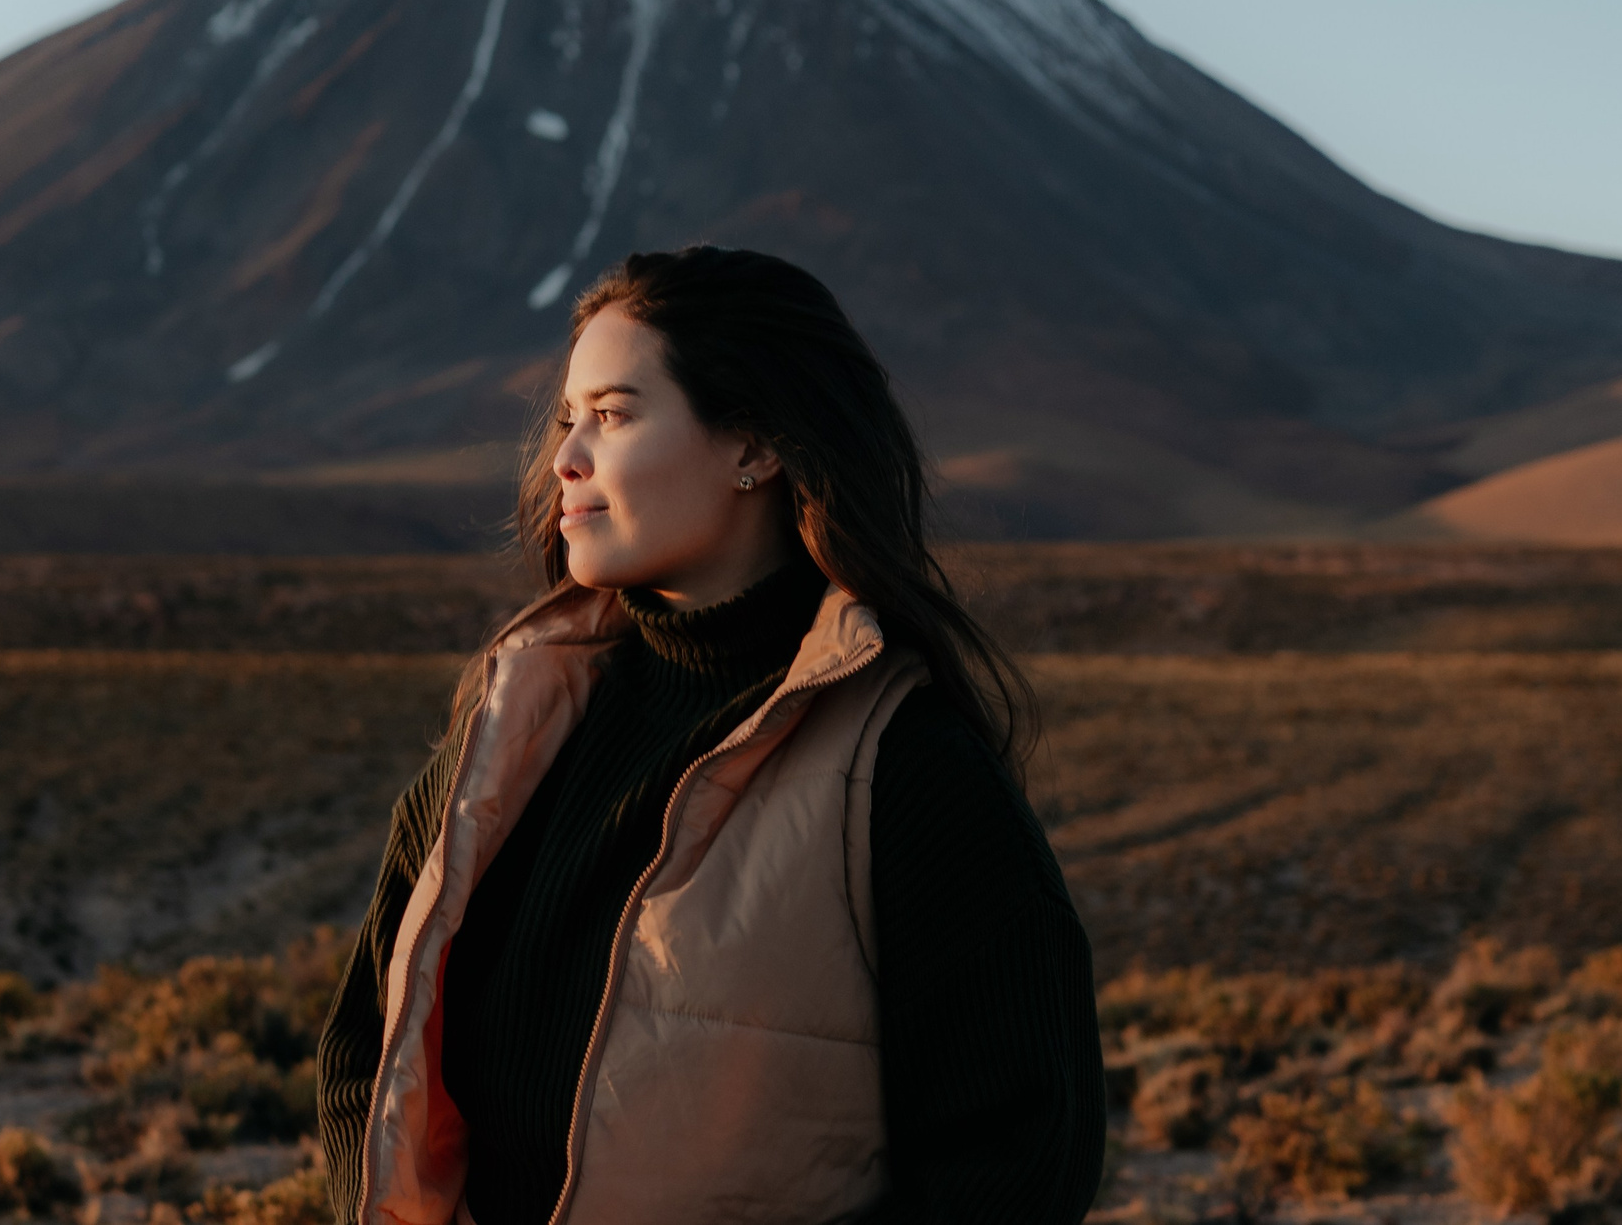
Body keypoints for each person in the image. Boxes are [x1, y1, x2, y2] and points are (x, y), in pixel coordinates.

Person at [318, 246, 1105, 1224]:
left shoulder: (904, 768)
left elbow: (1018, 1161)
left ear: (754, 447)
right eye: (566, 419)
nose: (565, 458)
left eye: (612, 415)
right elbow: (368, 1056)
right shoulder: (508, 726)